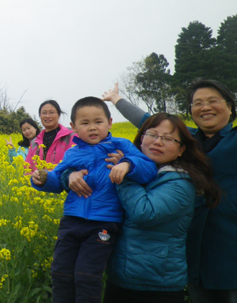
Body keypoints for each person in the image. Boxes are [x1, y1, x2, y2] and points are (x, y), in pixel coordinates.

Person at [100, 81, 237, 303]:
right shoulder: (187, 139)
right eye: (197, 103)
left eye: (213, 101)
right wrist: (116, 99)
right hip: (195, 254)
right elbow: (146, 121)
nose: (205, 107)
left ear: (230, 107)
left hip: (235, 252)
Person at [31, 96, 157, 303]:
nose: (92, 128)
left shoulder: (121, 146)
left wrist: (127, 164)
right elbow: (57, 179)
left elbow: (149, 168)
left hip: (104, 222)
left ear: (109, 122)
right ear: (73, 127)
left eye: (98, 122)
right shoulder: (73, 153)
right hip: (72, 220)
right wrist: (43, 179)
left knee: (87, 275)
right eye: (85, 123)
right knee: (60, 273)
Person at [97, 113, 221, 303]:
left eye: (168, 138)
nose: (158, 142)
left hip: (156, 284)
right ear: (141, 139)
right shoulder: (135, 170)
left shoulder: (181, 182)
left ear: (181, 150)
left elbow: (145, 213)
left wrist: (125, 176)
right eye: (152, 134)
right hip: (120, 278)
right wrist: (71, 176)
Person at [25, 100, 76, 170]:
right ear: (40, 116)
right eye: (44, 113)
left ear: (59, 115)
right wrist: (33, 176)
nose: (47, 116)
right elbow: (28, 168)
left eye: (51, 112)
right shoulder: (35, 142)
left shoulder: (71, 136)